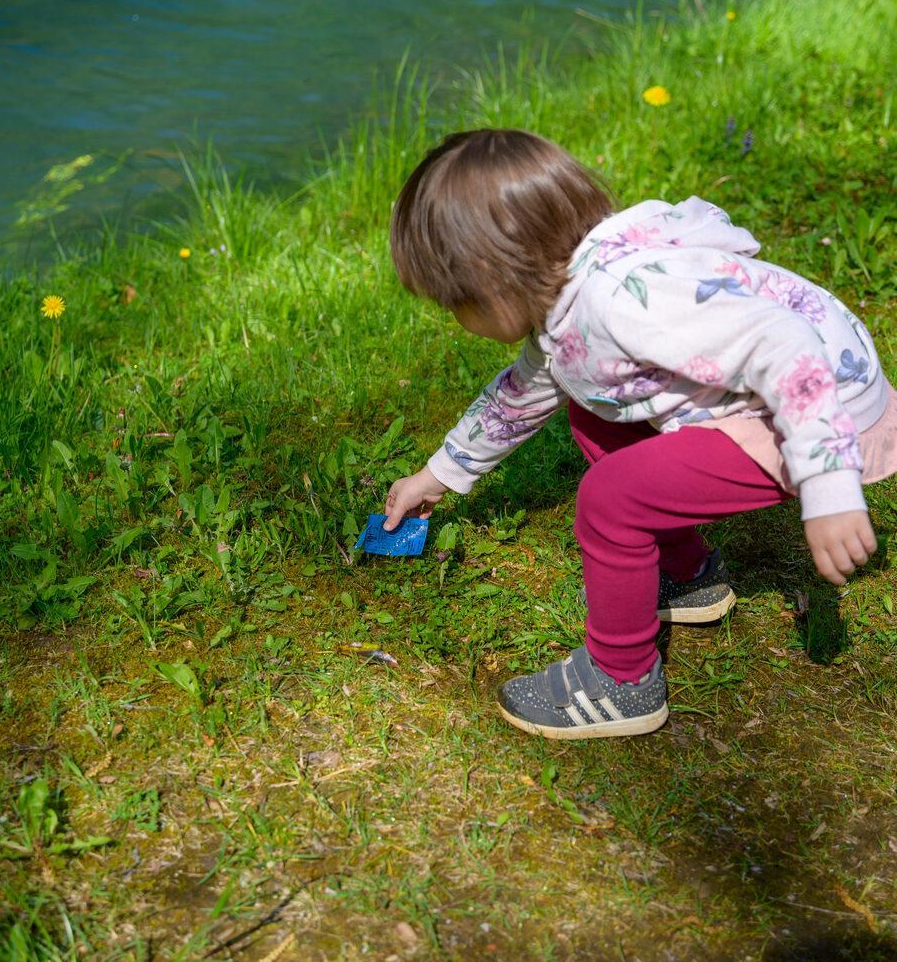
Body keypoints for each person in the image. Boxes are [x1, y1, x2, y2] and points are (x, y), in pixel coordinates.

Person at [382, 128, 897, 740]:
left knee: (611, 500)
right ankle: (689, 575)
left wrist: (828, 485)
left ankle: (621, 680)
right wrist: (437, 475)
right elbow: (522, 394)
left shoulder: (624, 301)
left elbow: (785, 345)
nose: (456, 319)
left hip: (814, 413)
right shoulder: (569, 293)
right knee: (593, 412)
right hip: (775, 394)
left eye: (456, 304)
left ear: (497, 279)